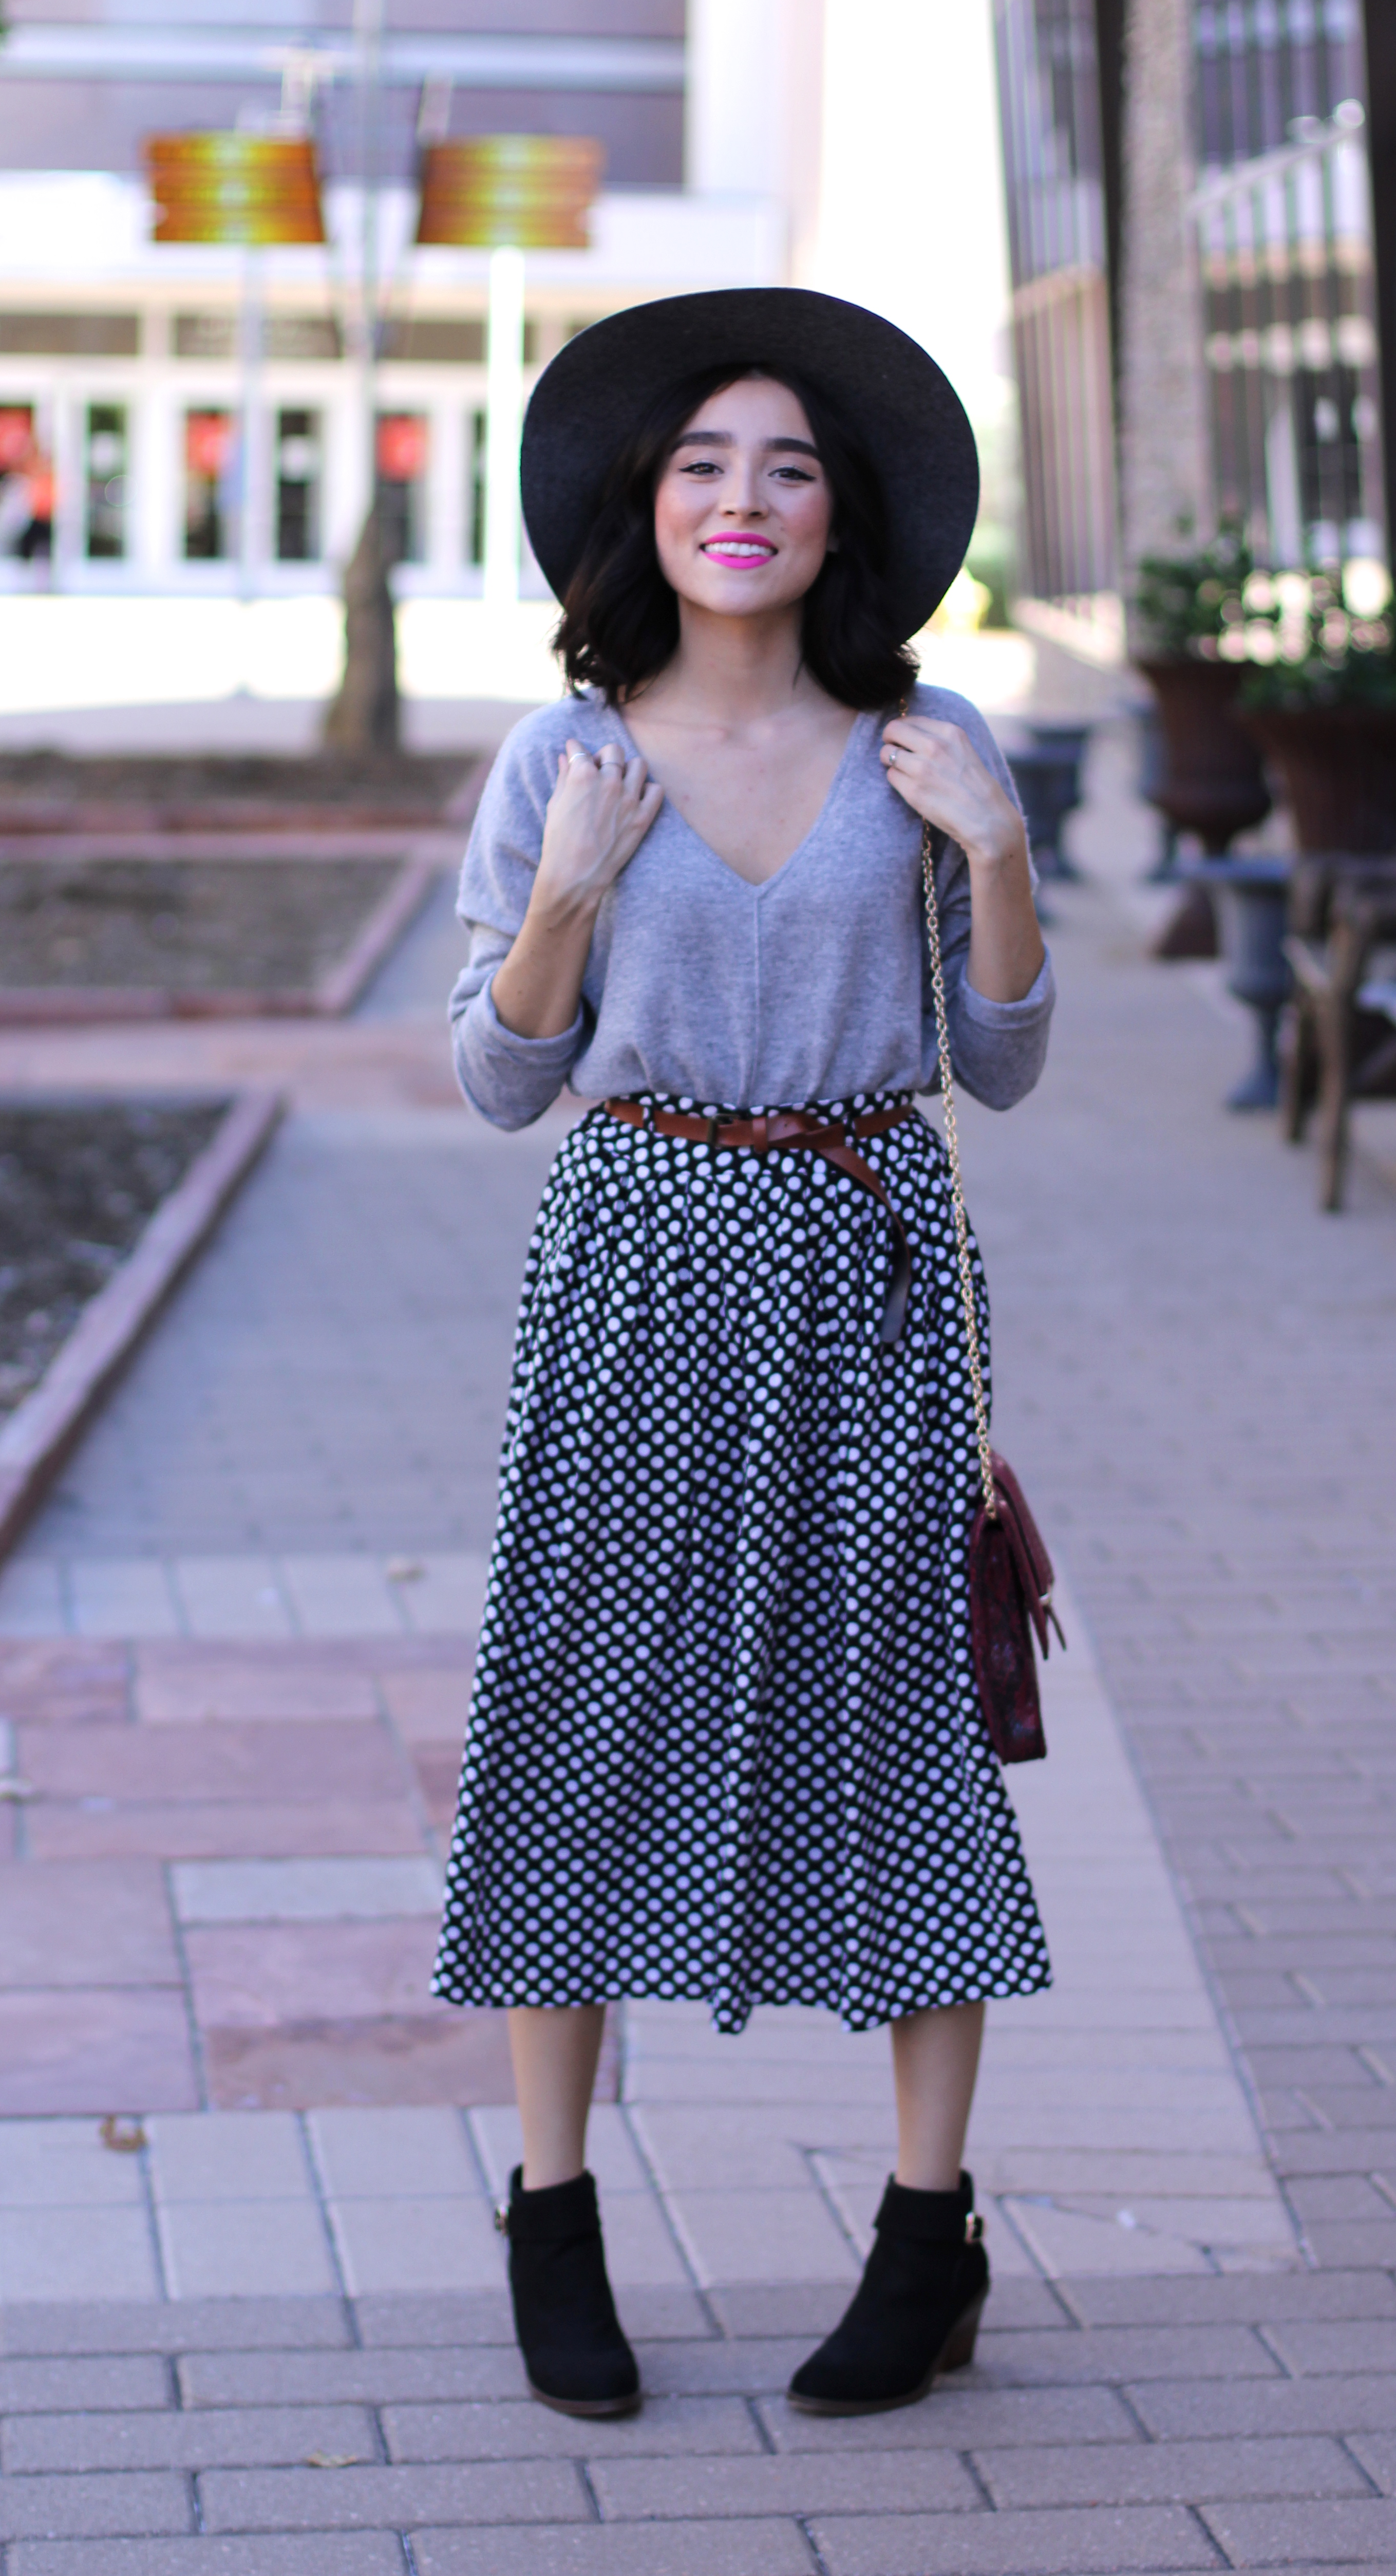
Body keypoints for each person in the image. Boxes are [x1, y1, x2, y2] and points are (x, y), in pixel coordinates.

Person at [433, 287, 1054, 2422]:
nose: (744, 499)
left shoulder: (926, 743)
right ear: (646, 504)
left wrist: (998, 851)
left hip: (871, 1270)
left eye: (788, 467)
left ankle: (927, 2238)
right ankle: (553, 2217)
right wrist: (566, 898)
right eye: (704, 463)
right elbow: (497, 1083)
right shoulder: (566, 760)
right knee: (584, 1718)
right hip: (633, 1265)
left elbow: (1003, 1062)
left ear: (840, 516)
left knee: (904, 1728)